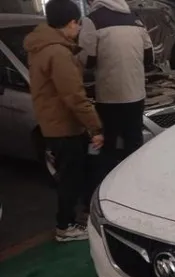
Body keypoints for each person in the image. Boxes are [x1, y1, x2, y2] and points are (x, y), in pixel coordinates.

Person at [24, 0, 104, 242]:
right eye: (78, 24)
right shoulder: (58, 53)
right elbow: (74, 96)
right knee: (71, 178)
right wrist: (95, 127)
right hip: (64, 125)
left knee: (71, 174)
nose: (78, 29)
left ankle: (73, 219)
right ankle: (65, 226)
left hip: (54, 123)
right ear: (71, 23)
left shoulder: (40, 47)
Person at [78, 0, 154, 171]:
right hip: (136, 94)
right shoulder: (135, 19)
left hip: (109, 96)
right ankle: (132, 177)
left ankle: (107, 180)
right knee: (134, 142)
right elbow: (150, 57)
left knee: (108, 144)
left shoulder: (92, 20)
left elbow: (87, 60)